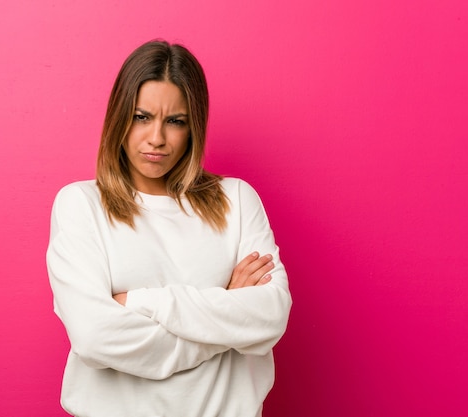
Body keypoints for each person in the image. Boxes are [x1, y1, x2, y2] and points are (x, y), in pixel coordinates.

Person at [46, 39, 291, 417]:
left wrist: (142, 302)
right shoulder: (81, 205)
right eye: (142, 116)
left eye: (175, 121)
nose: (157, 138)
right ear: (119, 116)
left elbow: (270, 316)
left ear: (193, 126)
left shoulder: (237, 200)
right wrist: (226, 321)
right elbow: (95, 338)